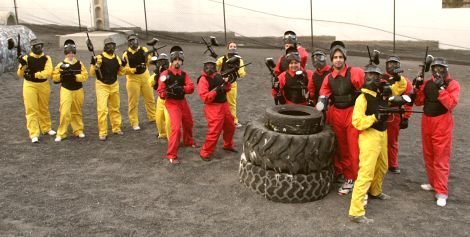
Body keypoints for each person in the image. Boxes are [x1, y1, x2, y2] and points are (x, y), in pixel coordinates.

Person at [348, 63, 406, 224]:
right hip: (369, 135)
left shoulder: (382, 93)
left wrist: (398, 77)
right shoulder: (362, 97)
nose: (373, 78)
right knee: (366, 172)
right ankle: (356, 211)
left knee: (383, 165)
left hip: (382, 133)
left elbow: (400, 87)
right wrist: (374, 117)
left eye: (376, 76)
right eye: (370, 75)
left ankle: (375, 191)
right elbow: (357, 122)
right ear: (365, 77)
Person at [317, 41, 364, 195]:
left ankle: (359, 181)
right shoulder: (329, 77)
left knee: (354, 149)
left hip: (352, 114)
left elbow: (368, 87)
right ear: (331, 59)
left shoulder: (355, 72)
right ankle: (349, 178)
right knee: (342, 149)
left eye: (340, 57)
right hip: (336, 114)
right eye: (335, 57)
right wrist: (321, 102)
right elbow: (323, 93)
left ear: (345, 57)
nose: (338, 59)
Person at [414, 57, 460, 207]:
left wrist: (441, 88)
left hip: (442, 122)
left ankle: (442, 191)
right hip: (427, 120)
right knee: (429, 154)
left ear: (446, 69)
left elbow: (450, 104)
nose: (438, 71)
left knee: (441, 157)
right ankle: (433, 183)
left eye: (441, 68)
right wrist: (417, 86)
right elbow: (419, 102)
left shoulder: (452, 84)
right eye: (435, 68)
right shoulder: (428, 83)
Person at [157, 46, 199, 165]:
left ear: (182, 61)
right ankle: (171, 155)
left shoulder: (184, 74)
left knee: (189, 122)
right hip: (171, 103)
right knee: (176, 128)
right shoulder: (165, 74)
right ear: (171, 60)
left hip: (182, 101)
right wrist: (167, 92)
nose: (177, 62)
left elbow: (191, 87)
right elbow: (160, 91)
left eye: (179, 60)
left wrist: (181, 89)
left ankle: (188, 141)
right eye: (175, 60)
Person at [17, 38, 55, 143]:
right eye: (36, 46)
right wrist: (23, 66)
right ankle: (34, 133)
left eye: (40, 46)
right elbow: (20, 74)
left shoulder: (47, 58)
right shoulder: (26, 58)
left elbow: (48, 72)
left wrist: (34, 74)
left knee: (44, 108)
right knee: (31, 109)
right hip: (30, 85)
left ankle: (46, 128)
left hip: (43, 85)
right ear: (32, 48)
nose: (38, 48)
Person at [198, 58, 236, 161]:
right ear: (204, 67)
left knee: (230, 126)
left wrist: (226, 84)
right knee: (214, 131)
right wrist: (217, 90)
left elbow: (227, 88)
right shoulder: (203, 79)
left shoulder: (219, 76)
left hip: (224, 105)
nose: (209, 67)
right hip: (213, 107)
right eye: (207, 65)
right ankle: (205, 152)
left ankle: (228, 145)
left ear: (215, 66)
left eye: (211, 65)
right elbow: (205, 98)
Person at [89, 37, 126, 141]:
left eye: (113, 45)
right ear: (105, 46)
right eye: (109, 45)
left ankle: (116, 128)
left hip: (114, 85)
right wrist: (93, 64)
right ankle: (103, 132)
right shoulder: (99, 58)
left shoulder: (117, 58)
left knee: (115, 108)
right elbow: (92, 73)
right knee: (102, 110)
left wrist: (123, 65)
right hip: (102, 86)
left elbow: (121, 73)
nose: (111, 47)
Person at [52, 39, 88, 142]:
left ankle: (78, 130)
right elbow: (54, 77)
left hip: (78, 90)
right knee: (64, 112)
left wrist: (75, 77)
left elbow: (85, 76)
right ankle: (61, 133)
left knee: (77, 111)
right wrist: (62, 76)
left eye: (72, 53)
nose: (70, 55)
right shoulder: (60, 65)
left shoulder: (79, 64)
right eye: (68, 53)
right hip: (66, 89)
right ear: (65, 53)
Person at [383, 56, 413, 173]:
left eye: (395, 64)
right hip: (380, 111)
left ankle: (392, 163)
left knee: (392, 140)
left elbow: (409, 100)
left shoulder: (404, 81)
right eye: (389, 63)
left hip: (395, 114)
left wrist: (406, 117)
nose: (392, 66)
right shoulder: (381, 78)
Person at [122, 34, 156, 131]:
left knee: (150, 98)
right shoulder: (126, 54)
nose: (133, 42)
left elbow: (148, 62)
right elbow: (124, 70)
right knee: (133, 102)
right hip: (133, 79)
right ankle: (134, 122)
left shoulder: (144, 50)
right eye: (131, 40)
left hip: (145, 76)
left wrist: (153, 57)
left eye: (135, 40)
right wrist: (134, 69)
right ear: (129, 42)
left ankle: (152, 117)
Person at [216, 41, 246, 127]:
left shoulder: (239, 60)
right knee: (220, 103)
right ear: (228, 48)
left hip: (232, 84)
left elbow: (241, 73)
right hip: (221, 84)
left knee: (232, 104)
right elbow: (215, 67)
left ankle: (234, 122)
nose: (233, 47)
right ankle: (220, 121)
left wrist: (238, 71)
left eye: (234, 46)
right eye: (231, 46)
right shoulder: (222, 59)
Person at [150, 53, 171, 139]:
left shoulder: (172, 71)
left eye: (164, 61)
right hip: (160, 99)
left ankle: (171, 138)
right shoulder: (157, 72)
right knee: (159, 118)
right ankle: (162, 134)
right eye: (160, 62)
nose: (162, 64)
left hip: (170, 99)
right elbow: (151, 83)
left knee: (169, 121)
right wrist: (157, 76)